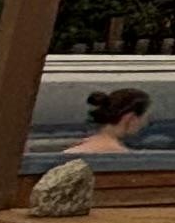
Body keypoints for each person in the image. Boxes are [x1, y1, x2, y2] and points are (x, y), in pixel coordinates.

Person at [25, 86, 150, 216]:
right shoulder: (123, 158)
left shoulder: (74, 150)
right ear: (130, 118)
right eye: (144, 118)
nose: (144, 124)